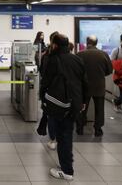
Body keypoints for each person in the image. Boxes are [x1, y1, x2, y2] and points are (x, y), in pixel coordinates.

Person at [40, 34, 88, 180]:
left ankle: (66, 171)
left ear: (54, 45)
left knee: (61, 137)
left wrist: (43, 99)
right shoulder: (77, 59)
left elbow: (45, 81)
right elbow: (85, 83)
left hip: (57, 104)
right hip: (74, 104)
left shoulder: (52, 59)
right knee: (67, 135)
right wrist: (83, 101)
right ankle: (67, 167)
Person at [76, 35, 112, 136]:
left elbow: (76, 71)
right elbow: (109, 70)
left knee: (82, 108)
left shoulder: (80, 54)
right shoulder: (103, 54)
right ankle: (98, 129)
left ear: (87, 42)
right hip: (99, 86)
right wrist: (100, 75)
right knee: (99, 109)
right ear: (96, 43)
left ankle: (80, 128)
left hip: (84, 86)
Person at [36, 31, 58, 150]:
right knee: (58, 116)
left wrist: (42, 94)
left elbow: (43, 73)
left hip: (50, 91)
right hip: (62, 94)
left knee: (50, 115)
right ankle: (57, 138)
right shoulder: (68, 57)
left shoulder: (47, 56)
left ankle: (53, 138)